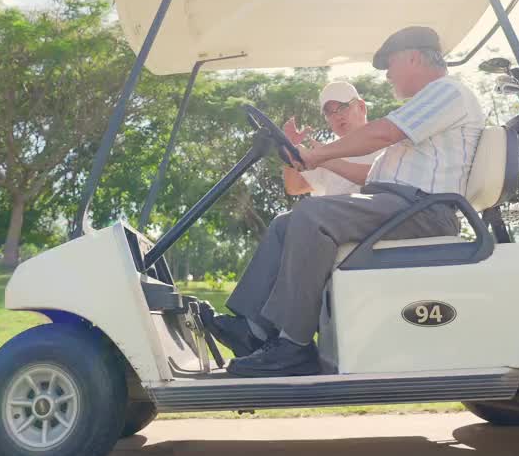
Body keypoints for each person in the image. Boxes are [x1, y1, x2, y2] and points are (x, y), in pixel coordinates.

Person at [208, 26, 485, 377]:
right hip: (400, 205)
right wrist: (307, 157)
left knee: (312, 215)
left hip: (425, 210)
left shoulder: (447, 93)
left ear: (413, 57)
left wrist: (318, 154)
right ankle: (255, 330)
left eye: (391, 66)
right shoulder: (427, 104)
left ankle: (293, 345)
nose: (387, 77)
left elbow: (383, 133)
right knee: (286, 223)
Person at [281, 81, 383, 197]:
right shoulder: (326, 151)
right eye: (329, 113)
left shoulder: (386, 139)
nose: (337, 116)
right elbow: (295, 188)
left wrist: (325, 160)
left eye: (343, 107)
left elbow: (385, 178)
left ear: (361, 107)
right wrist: (290, 149)